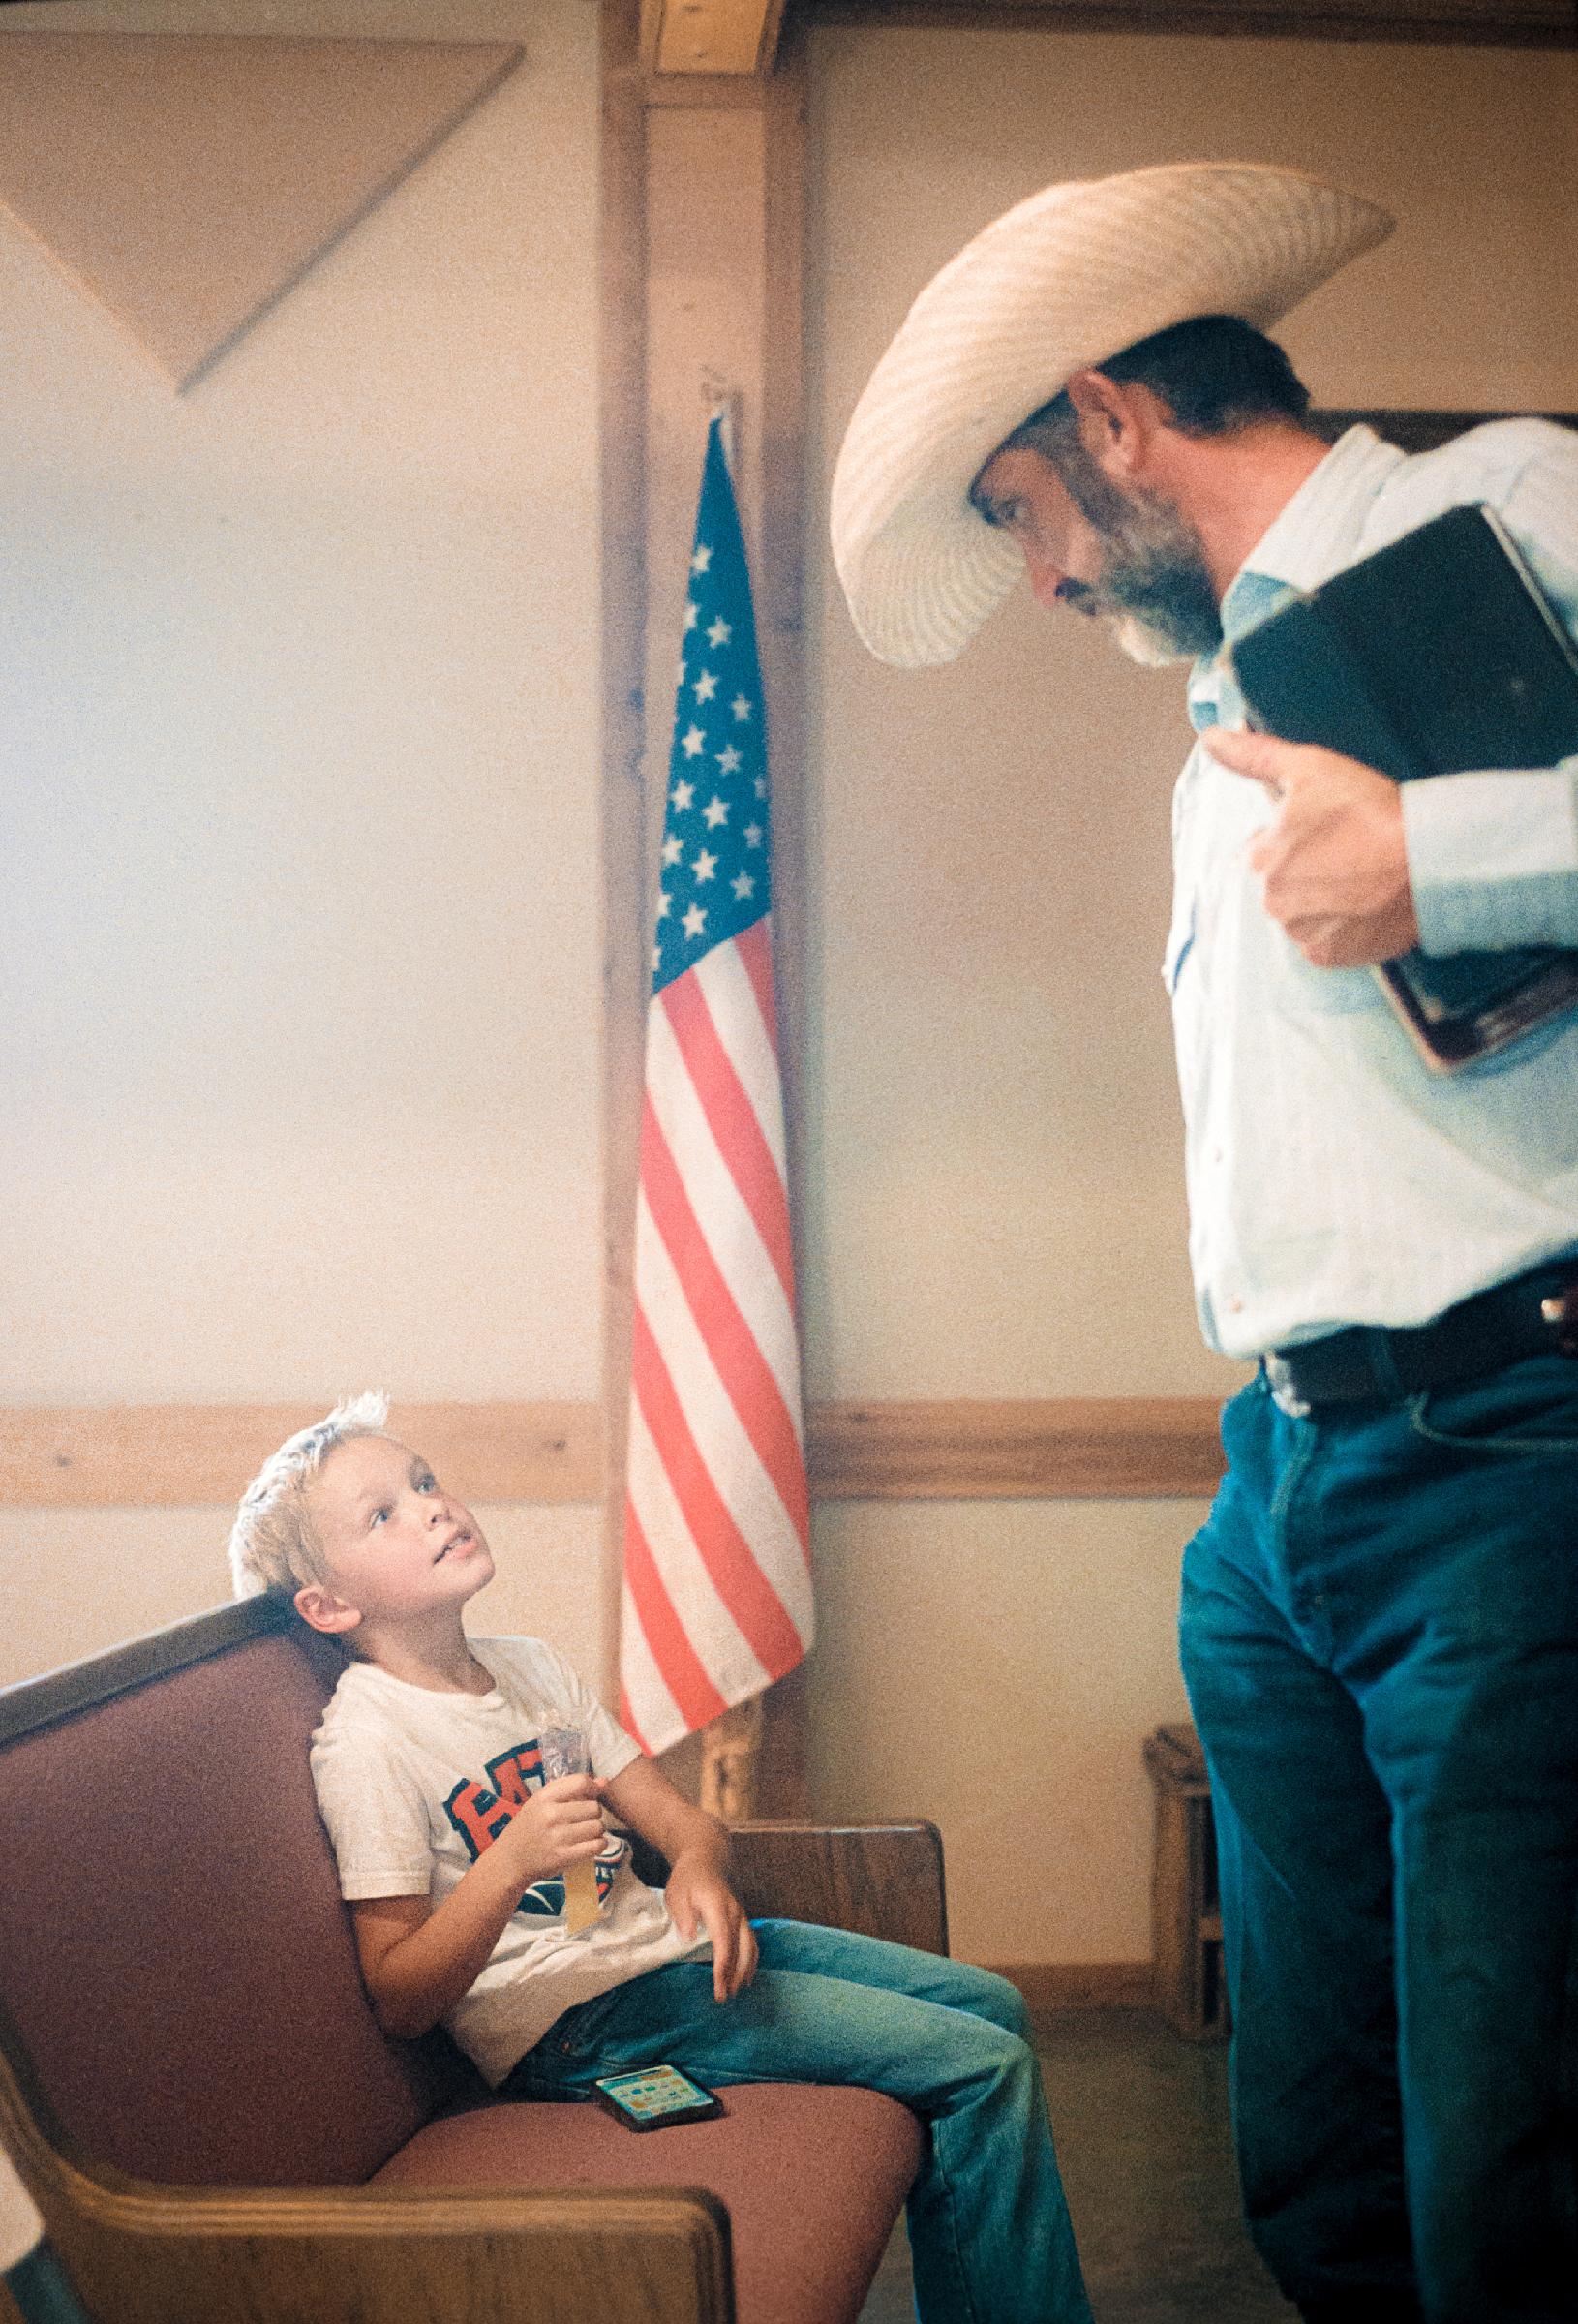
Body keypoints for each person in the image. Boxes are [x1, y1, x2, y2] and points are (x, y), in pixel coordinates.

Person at [829, 161, 1578, 2324]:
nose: (1042, 576)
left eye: (1020, 512)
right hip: (1281, 1486)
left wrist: (1443, 854)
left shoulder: (1513, 499)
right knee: (1317, 2151)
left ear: (1112, 419)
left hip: (1512, 1452)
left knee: (1509, 2163)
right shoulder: (1216, 721)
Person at [228, 1392, 1093, 2324]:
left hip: (665, 1956)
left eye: (425, 1480)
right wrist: (510, 1864)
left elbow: (684, 1824)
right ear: (330, 1605)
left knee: (995, 2006)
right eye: (384, 1514)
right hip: (578, 2020)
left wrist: (698, 1870)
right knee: (982, 2066)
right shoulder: (366, 1743)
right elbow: (399, 1995)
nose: (432, 1506)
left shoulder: (534, 1670)